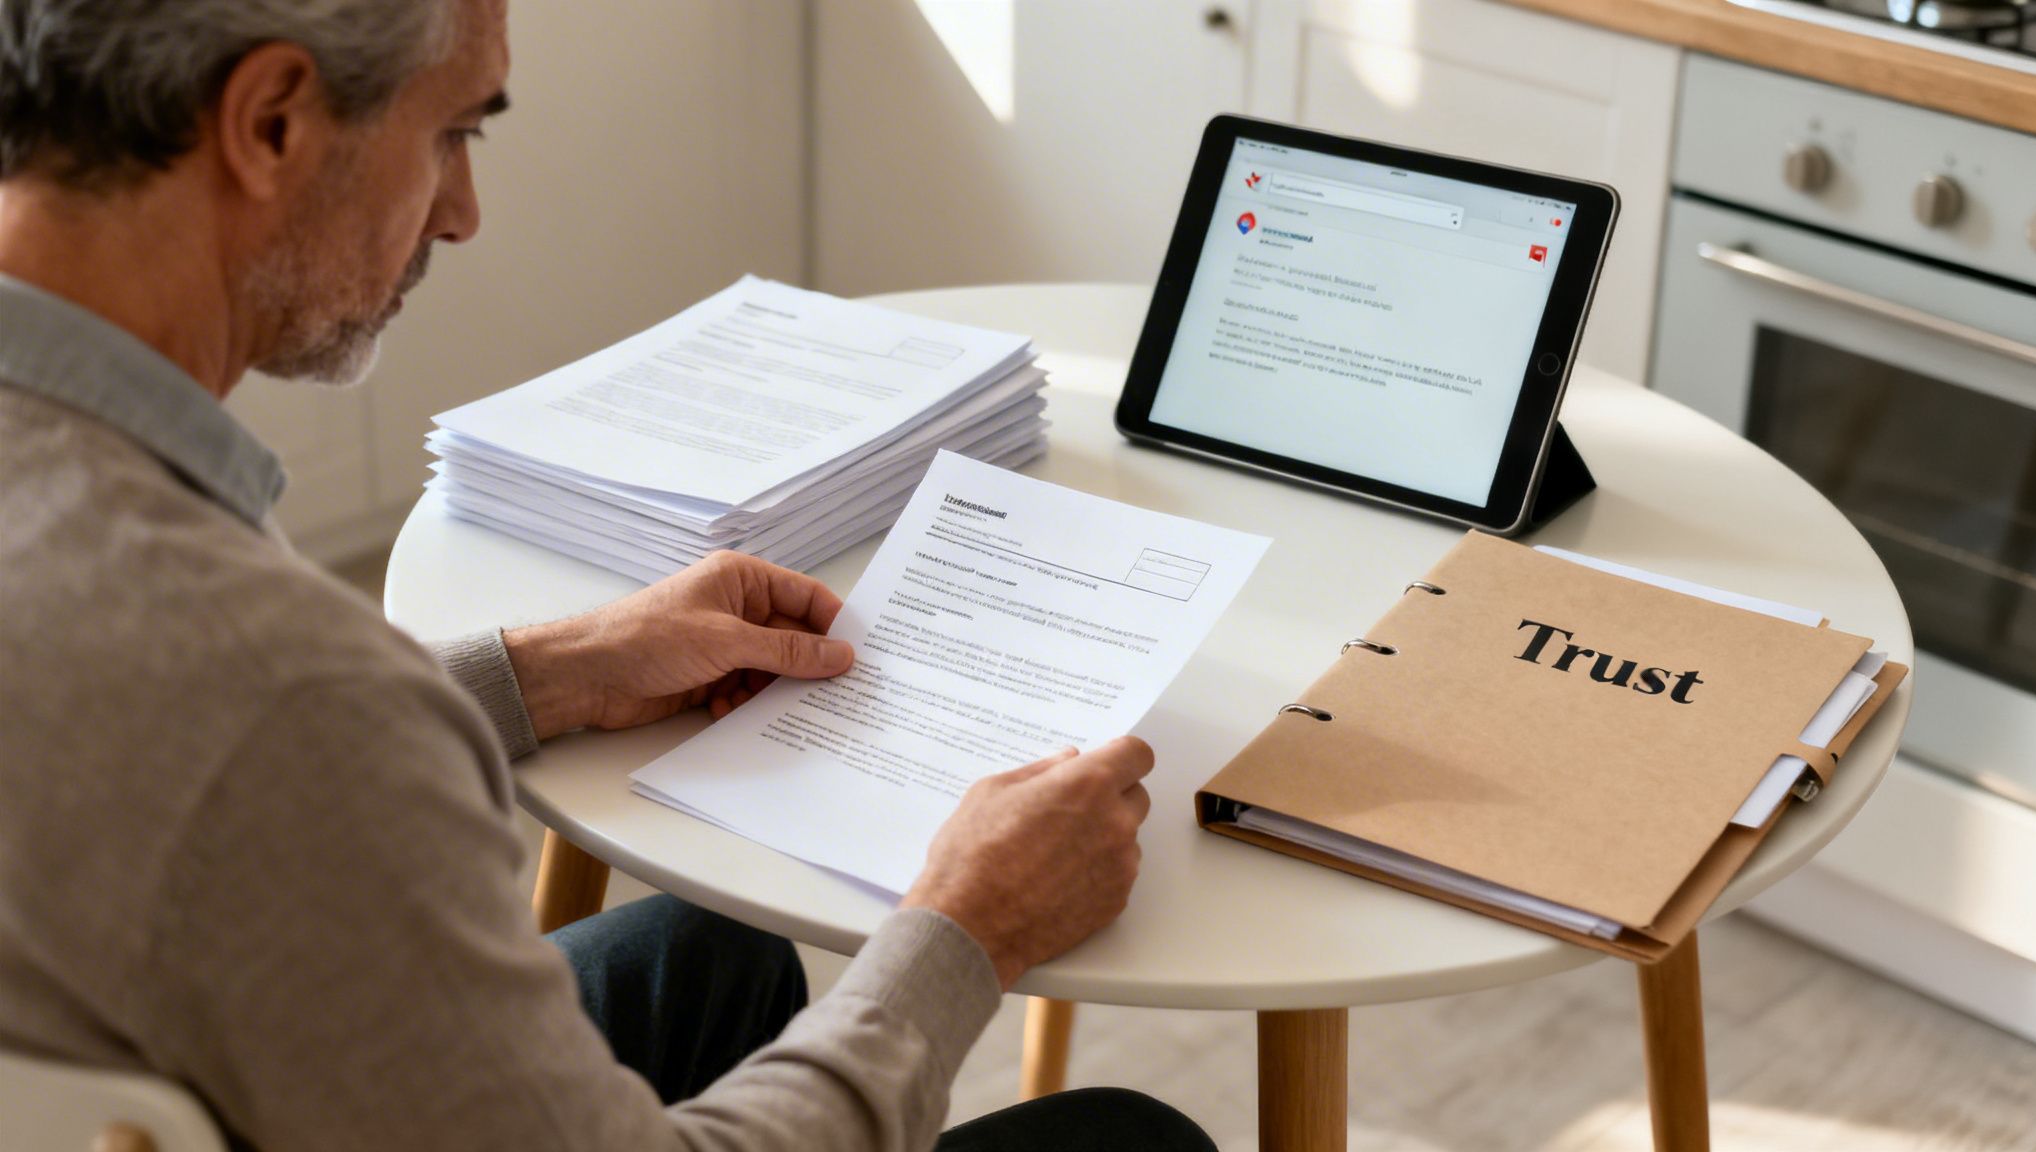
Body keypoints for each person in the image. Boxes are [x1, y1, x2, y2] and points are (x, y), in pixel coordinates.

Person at [0, 1, 1216, 1149]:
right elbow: (274, 739)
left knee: (705, 959)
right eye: (451, 132)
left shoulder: (133, 585)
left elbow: (157, 737)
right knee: (1133, 1138)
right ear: (270, 121)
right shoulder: (284, 699)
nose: (463, 211)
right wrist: (963, 926)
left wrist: (556, 668)